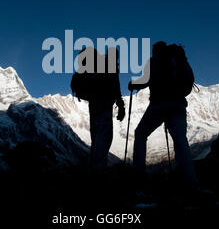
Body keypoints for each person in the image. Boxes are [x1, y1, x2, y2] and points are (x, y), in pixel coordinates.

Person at [128, 41, 198, 187]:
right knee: (180, 141)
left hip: (158, 105)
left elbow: (145, 81)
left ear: (155, 50)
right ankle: (190, 181)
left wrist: (133, 84)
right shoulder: (179, 60)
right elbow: (190, 79)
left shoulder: (154, 61)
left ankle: (138, 174)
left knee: (141, 133)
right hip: (178, 105)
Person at [71, 47, 125, 169]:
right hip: (104, 102)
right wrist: (120, 104)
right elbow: (115, 85)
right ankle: (98, 170)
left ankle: (93, 168)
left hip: (93, 102)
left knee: (96, 137)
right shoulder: (108, 65)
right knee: (104, 136)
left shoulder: (93, 66)